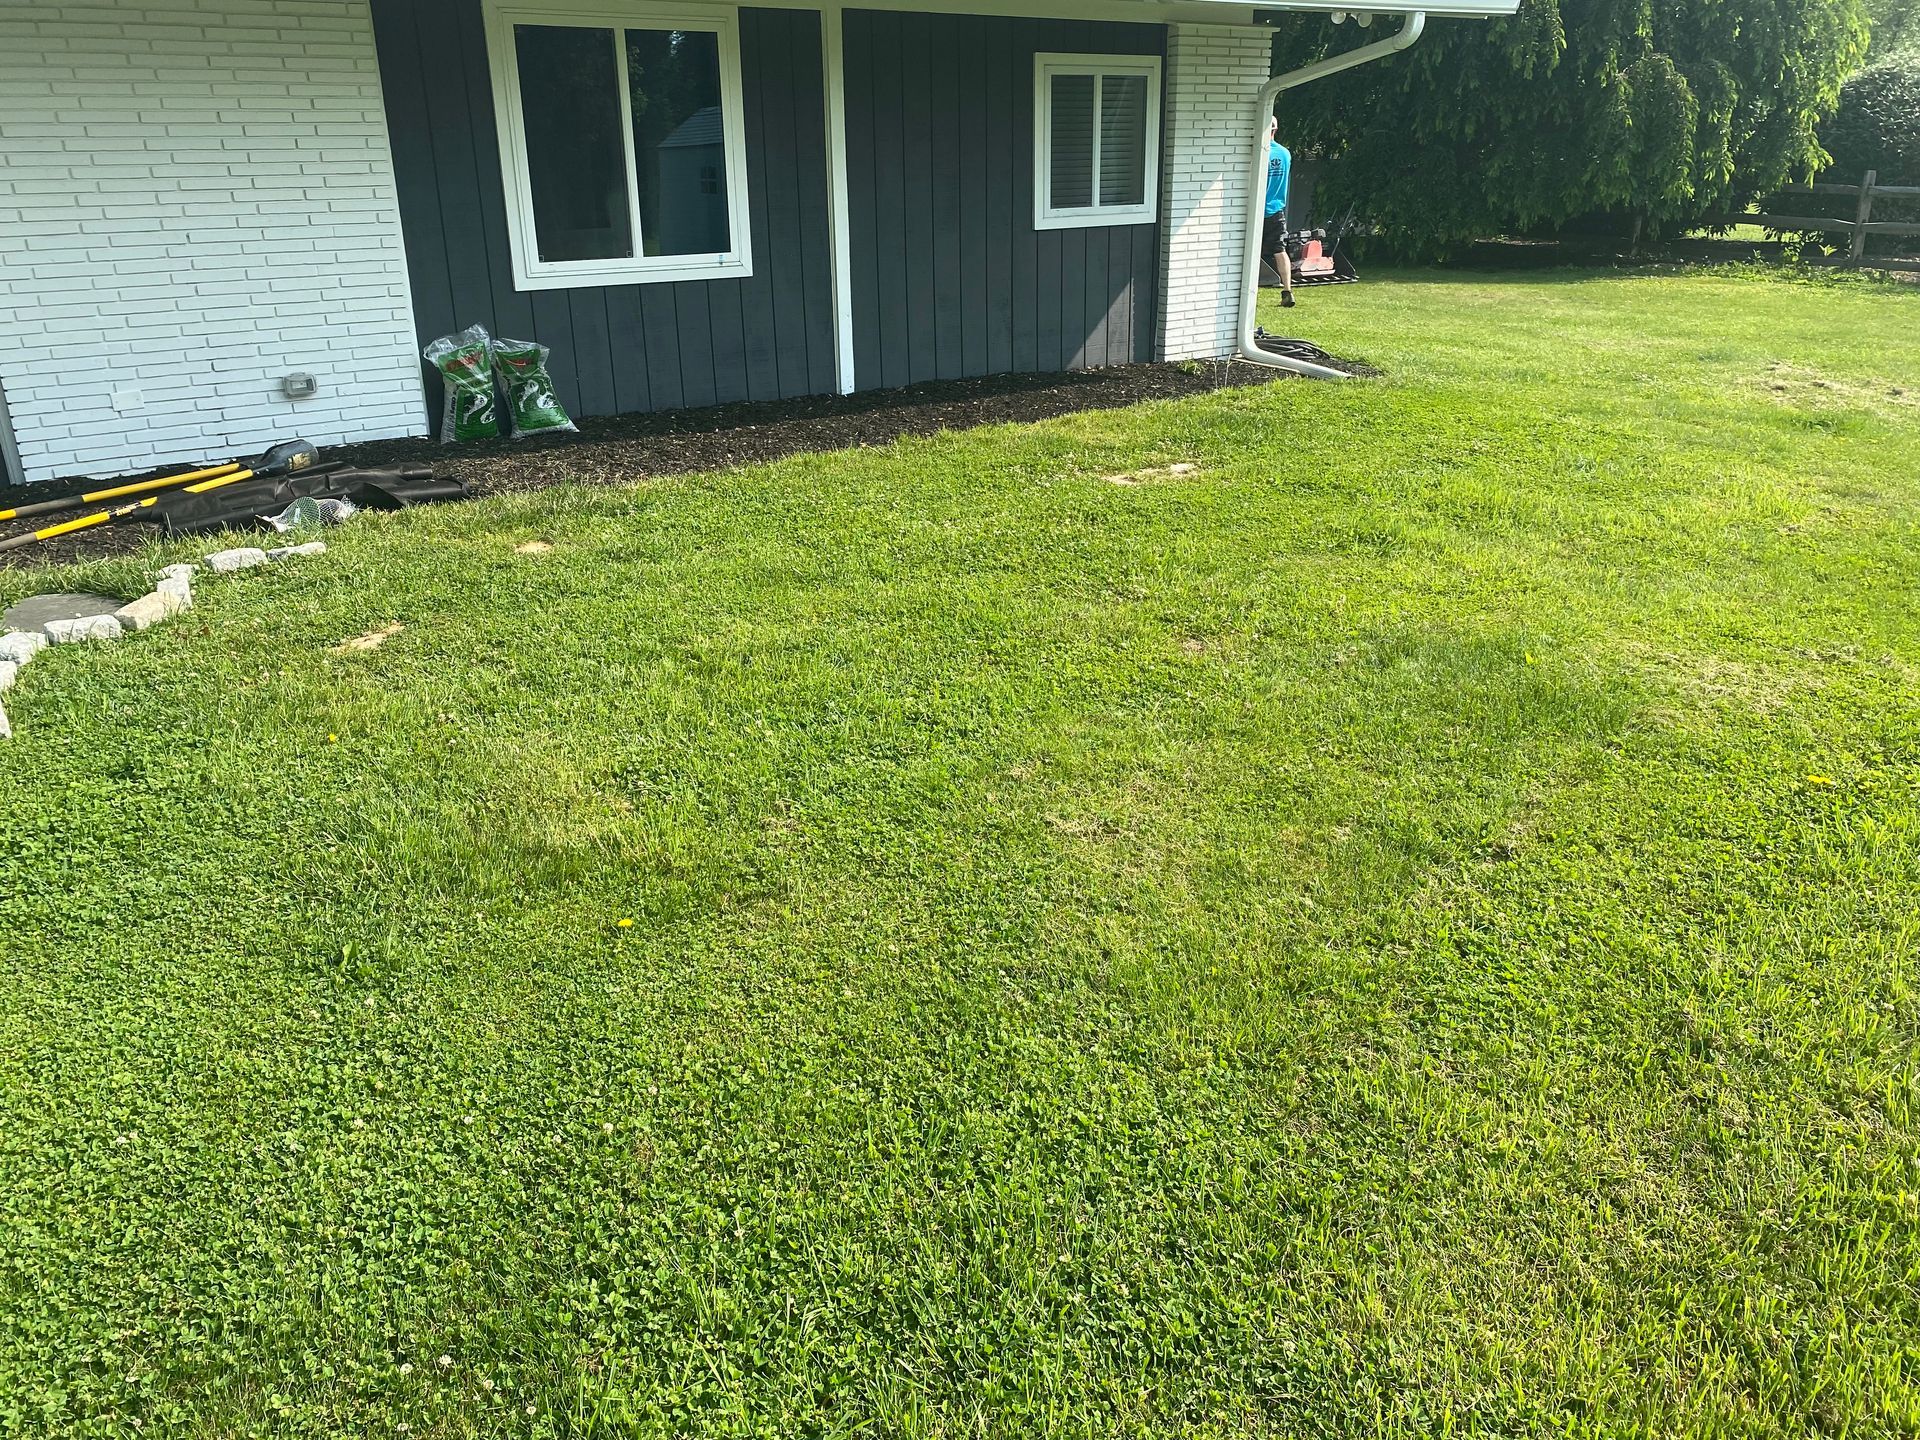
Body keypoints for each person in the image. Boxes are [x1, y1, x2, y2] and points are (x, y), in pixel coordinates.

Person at [1263, 117, 1295, 308]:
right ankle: (1287, 291)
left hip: (1258, 212)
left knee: (1248, 253)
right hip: (1277, 210)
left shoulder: (1261, 154)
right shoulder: (1285, 153)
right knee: (1279, 250)